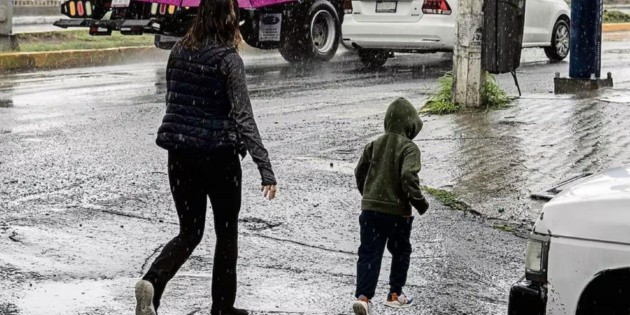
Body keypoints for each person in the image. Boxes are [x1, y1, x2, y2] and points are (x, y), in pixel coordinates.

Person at [134, 0, 278, 314]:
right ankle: (222, 308)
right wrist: (265, 168)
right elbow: (244, 118)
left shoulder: (178, 51)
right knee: (226, 233)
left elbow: (173, 100)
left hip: (180, 154)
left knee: (189, 231)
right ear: (228, 18)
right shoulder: (229, 60)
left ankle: (152, 283)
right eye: (234, 13)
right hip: (219, 157)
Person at [352, 97, 430, 315]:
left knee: (369, 252)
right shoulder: (409, 148)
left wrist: (368, 196)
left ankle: (364, 298)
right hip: (398, 214)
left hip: (370, 212)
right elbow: (408, 176)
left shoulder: (374, 144)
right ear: (410, 125)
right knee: (401, 251)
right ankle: (395, 294)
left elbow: (360, 172)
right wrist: (419, 202)